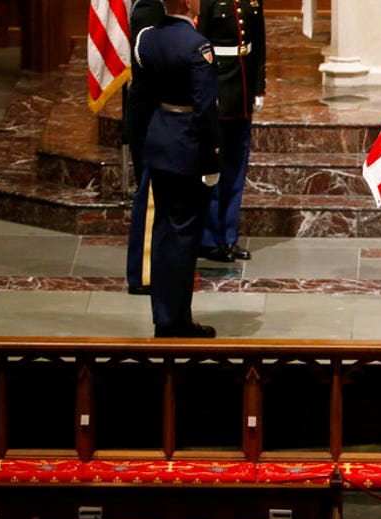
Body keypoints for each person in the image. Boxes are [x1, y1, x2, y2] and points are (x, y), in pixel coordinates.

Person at [136, 0, 222, 337]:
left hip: (159, 144)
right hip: (188, 149)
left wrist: (145, 146)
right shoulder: (196, 45)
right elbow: (204, 110)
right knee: (185, 237)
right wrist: (213, 159)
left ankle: (163, 315)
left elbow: (140, 100)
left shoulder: (146, 38)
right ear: (188, 3)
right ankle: (177, 321)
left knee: (163, 234)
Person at [196, 0, 266, 263]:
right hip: (218, 84)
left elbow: (258, 42)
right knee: (214, 165)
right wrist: (205, 90)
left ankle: (229, 236)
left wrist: (259, 86)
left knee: (237, 166)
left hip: (243, 86)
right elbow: (199, 45)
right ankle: (210, 239)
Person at [124, 0, 167, 295]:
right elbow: (158, 71)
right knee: (150, 201)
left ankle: (157, 267)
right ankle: (145, 274)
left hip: (153, 122)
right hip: (150, 123)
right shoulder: (150, 11)